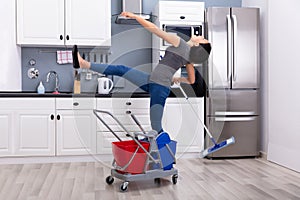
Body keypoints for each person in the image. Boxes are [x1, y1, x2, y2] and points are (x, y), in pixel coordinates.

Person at [73, 11, 211, 134]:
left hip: (159, 88)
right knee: (121, 69)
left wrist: (135, 16)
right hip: (152, 81)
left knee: (156, 127)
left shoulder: (180, 43)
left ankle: (165, 156)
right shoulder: (189, 60)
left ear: (198, 44)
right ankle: (84, 64)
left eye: (203, 39)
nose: (202, 36)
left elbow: (155, 29)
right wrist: (176, 80)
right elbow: (191, 81)